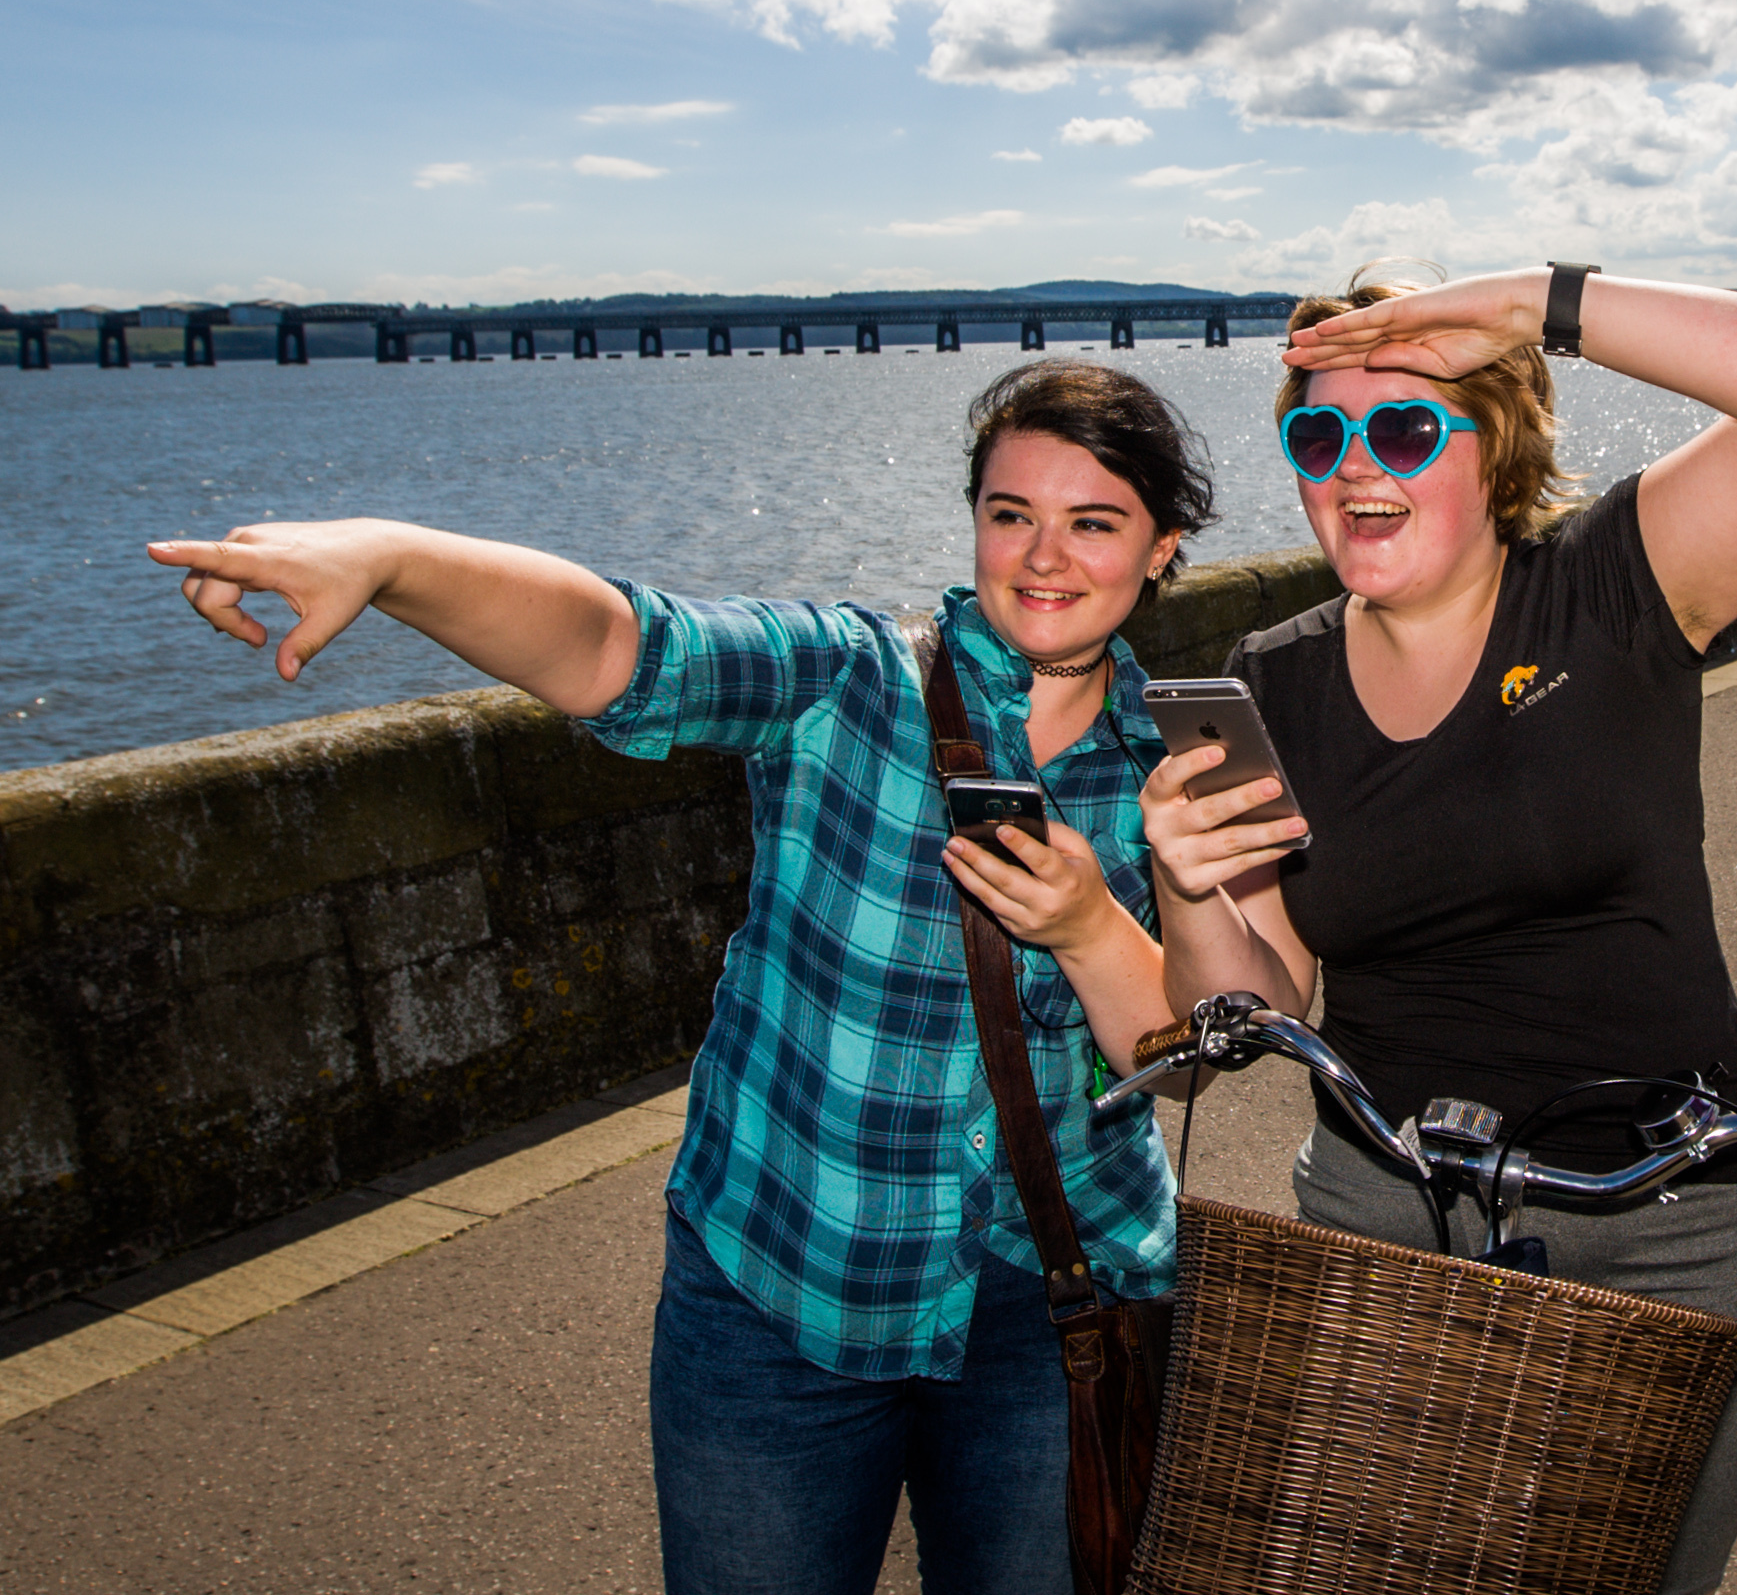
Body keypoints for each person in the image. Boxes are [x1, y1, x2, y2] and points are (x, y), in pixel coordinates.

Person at [147, 359, 1213, 1595]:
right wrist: (390, 557)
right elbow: (616, 641)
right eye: (1009, 511)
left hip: (1051, 1308)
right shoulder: (850, 680)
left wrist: (1089, 920)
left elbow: (1180, 1057)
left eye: (1094, 522)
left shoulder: (1178, 771)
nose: (1041, 555)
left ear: (1162, 549)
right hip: (783, 1290)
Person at [1140, 260, 1737, 1594]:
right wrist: (1188, 879)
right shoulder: (1273, 681)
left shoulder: (1611, 588)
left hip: (1679, 1232)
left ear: (1496, 445)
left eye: (1408, 426)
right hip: (1391, 1219)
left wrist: (1538, 300)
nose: (1356, 465)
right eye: (1319, 433)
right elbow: (1243, 1016)